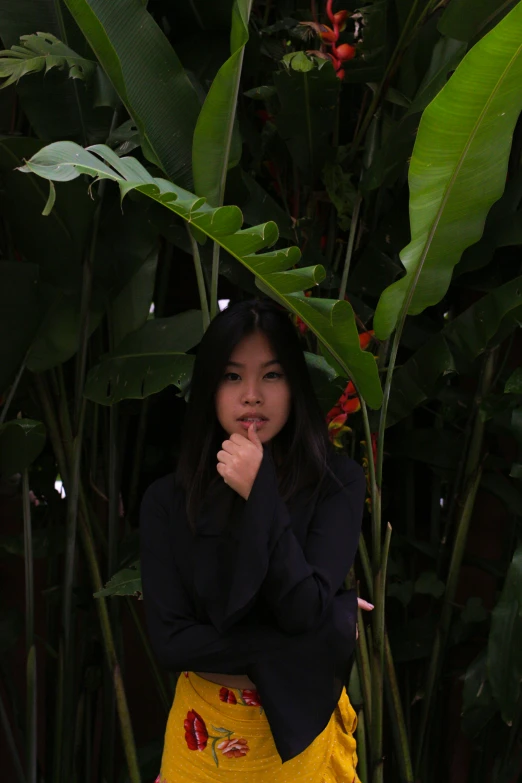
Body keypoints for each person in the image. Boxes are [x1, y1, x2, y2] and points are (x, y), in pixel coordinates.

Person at [140, 298, 371, 782]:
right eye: (231, 377)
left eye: (271, 375)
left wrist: (260, 490)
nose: (251, 396)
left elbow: (301, 609)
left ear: (294, 384)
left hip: (300, 737)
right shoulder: (167, 499)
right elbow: (171, 644)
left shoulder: (338, 483)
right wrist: (326, 627)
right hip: (201, 737)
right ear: (209, 388)